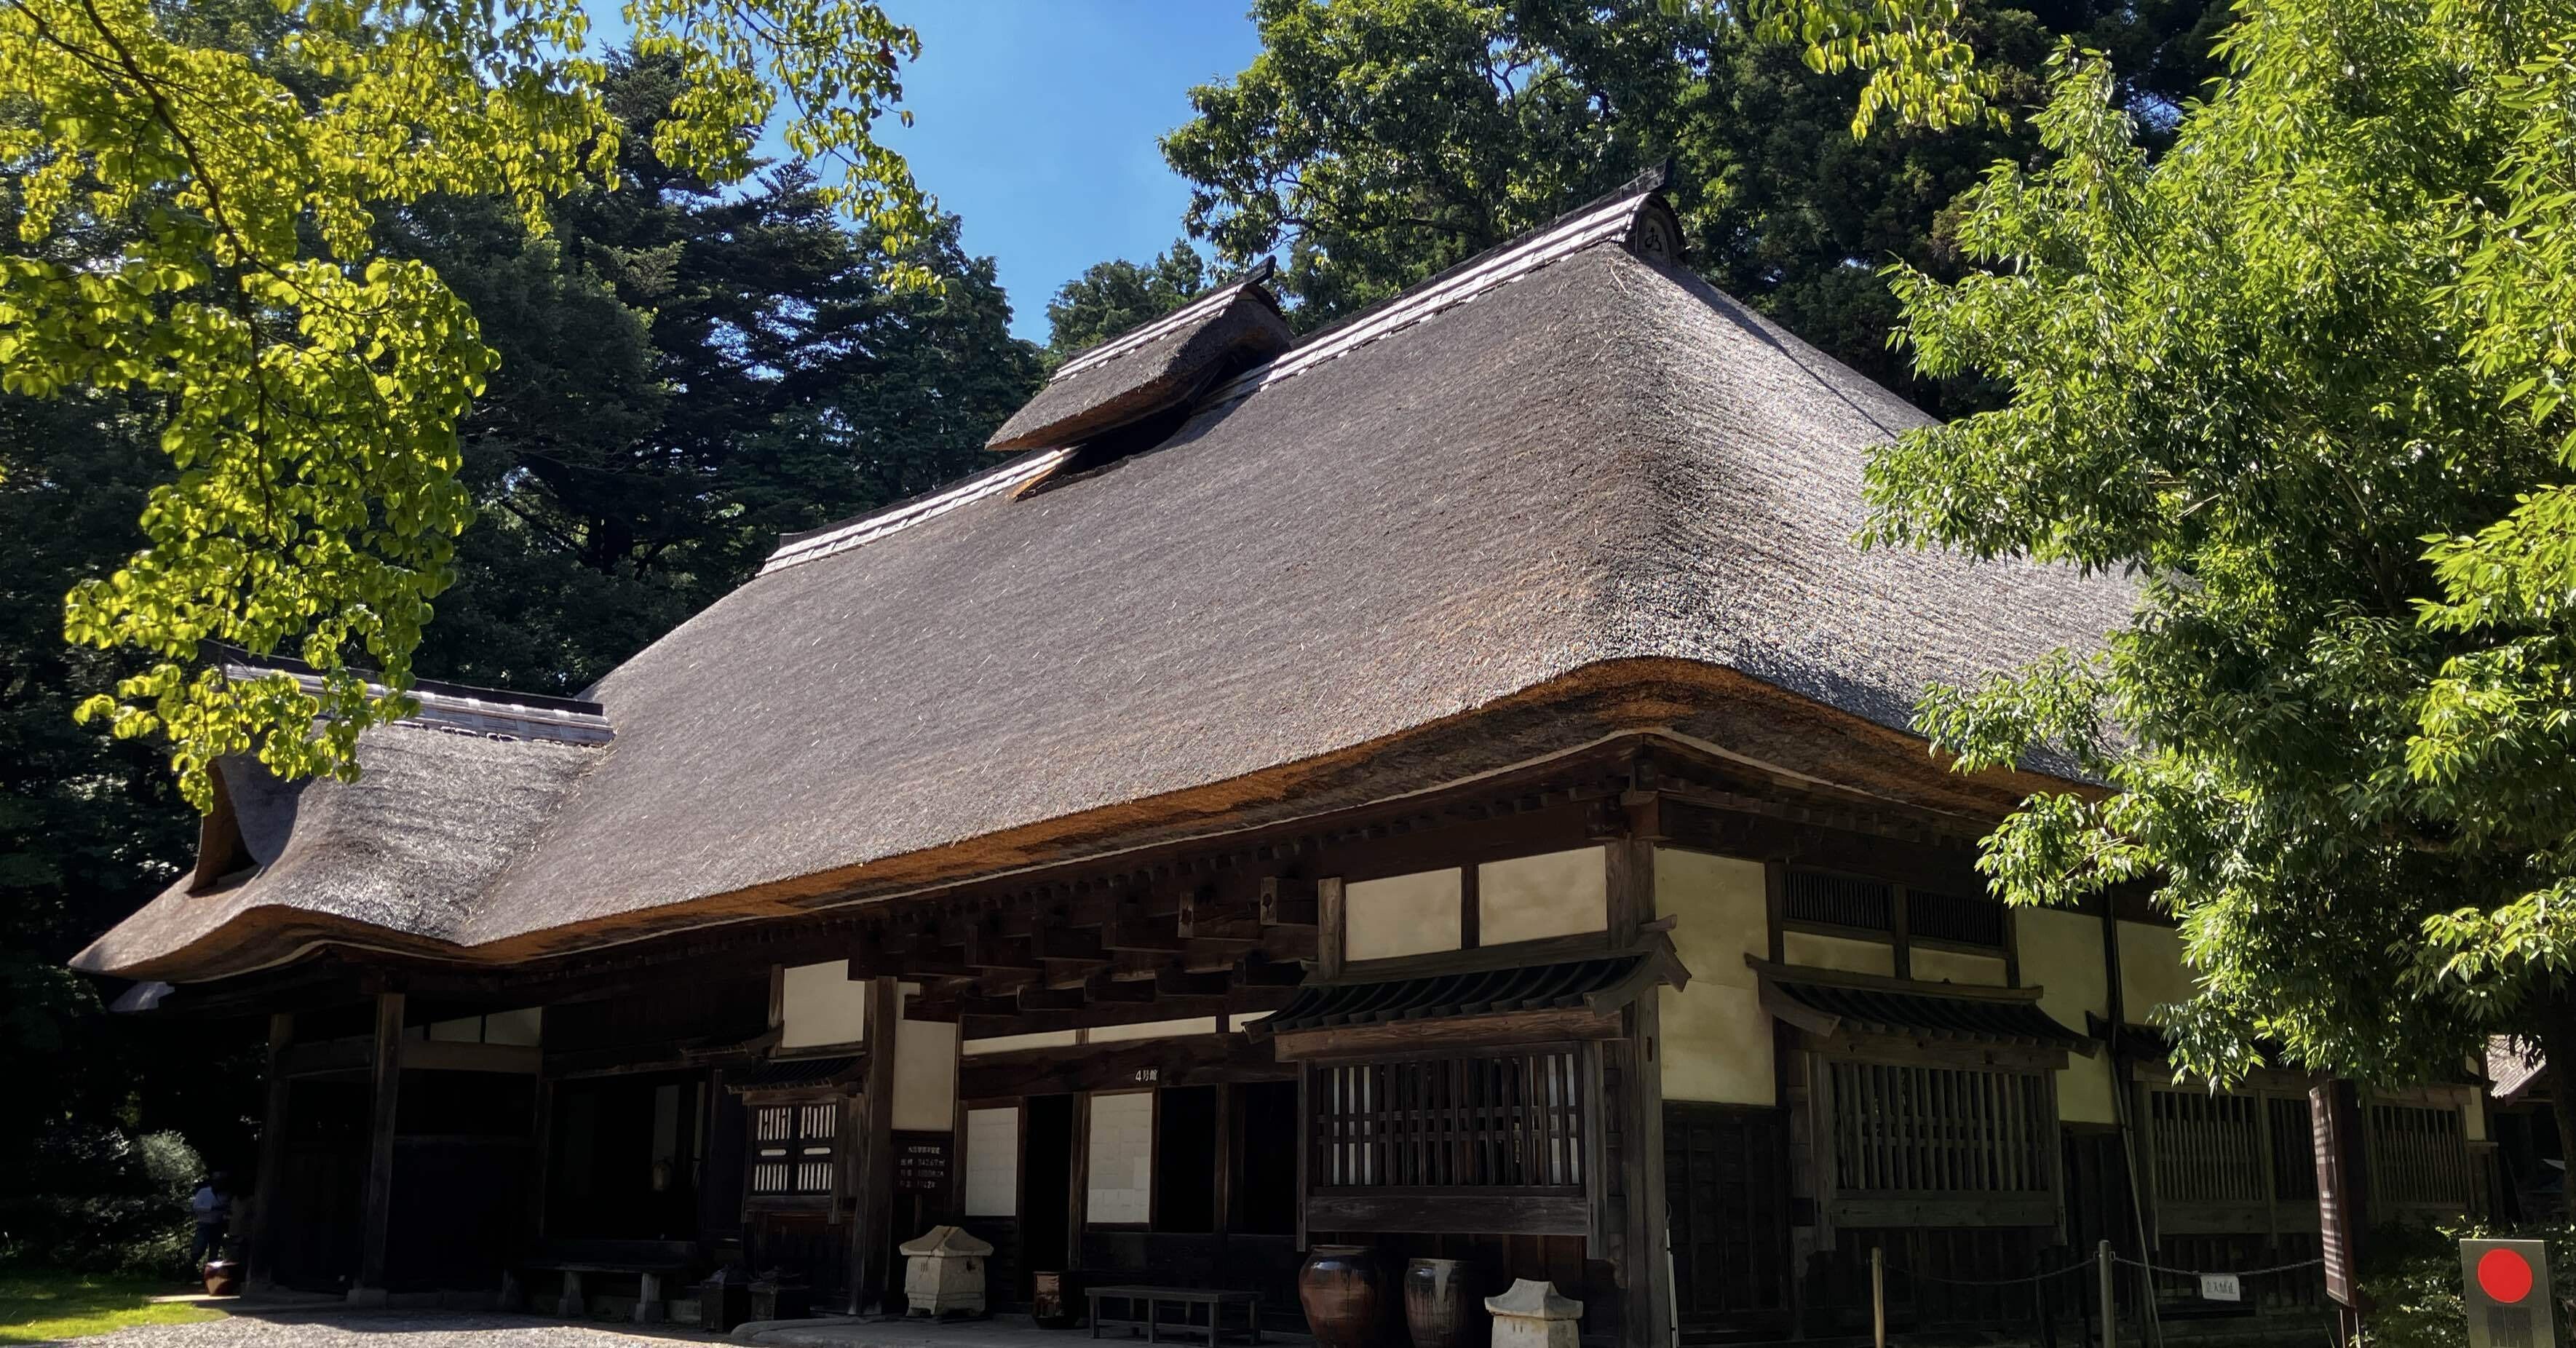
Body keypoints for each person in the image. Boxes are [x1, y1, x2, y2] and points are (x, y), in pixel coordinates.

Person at [189, 1173, 228, 1267]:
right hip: (204, 1225)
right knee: (198, 1250)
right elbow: (196, 1207)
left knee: (214, 1253)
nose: (219, 1184)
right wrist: (211, 1208)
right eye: (217, 1181)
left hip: (218, 1225)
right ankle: (188, 1273)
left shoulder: (225, 1195)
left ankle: (209, 1277)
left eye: (221, 1182)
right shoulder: (204, 1192)